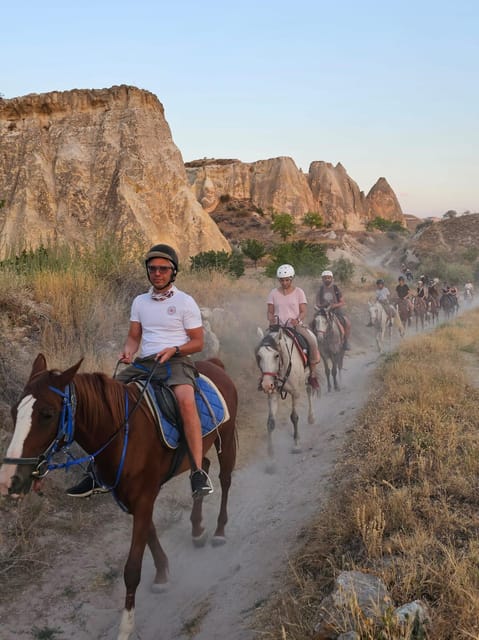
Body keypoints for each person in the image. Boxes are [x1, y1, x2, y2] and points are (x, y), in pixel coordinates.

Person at [67, 244, 213, 500]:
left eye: (163, 269)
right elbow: (134, 337)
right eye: (153, 268)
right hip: (144, 364)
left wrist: (174, 349)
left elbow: (198, 342)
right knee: (104, 401)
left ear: (173, 271)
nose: (157, 273)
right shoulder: (140, 301)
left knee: (186, 402)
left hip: (176, 362)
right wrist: (128, 352)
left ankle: (198, 472)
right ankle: (96, 472)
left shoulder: (185, 301)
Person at [266, 264, 321, 390]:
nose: (284, 282)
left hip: (295, 326)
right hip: (278, 327)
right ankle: (266, 375)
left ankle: (312, 374)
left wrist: (298, 319)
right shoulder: (273, 293)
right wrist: (271, 318)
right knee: (263, 346)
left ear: (291, 279)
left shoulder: (299, 292)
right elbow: (270, 311)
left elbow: (303, 311)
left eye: (287, 280)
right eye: (281, 280)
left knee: (312, 341)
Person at [315, 270, 351, 350]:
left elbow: (342, 302)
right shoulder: (320, 289)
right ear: (322, 279)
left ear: (331, 278)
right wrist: (321, 306)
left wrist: (334, 305)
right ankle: (315, 343)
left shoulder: (335, 288)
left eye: (328, 278)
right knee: (313, 323)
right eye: (325, 278)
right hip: (323, 311)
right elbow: (317, 302)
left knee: (347, 323)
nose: (327, 279)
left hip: (336, 311)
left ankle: (345, 341)